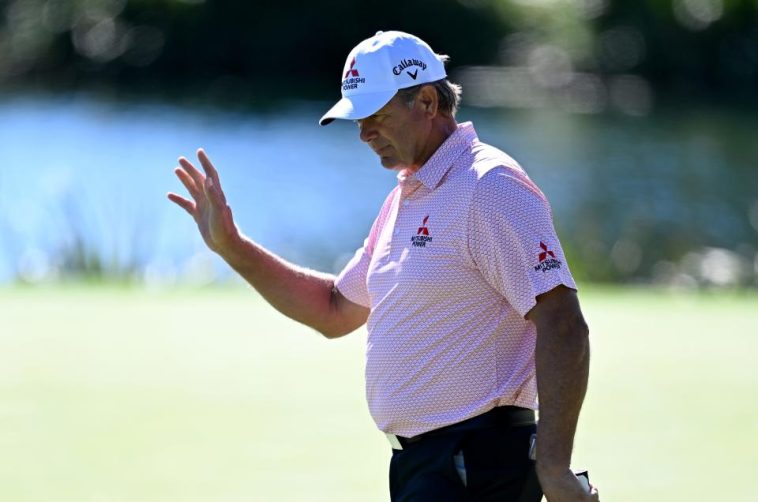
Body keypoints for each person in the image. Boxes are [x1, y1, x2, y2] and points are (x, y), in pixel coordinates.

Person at [168, 30, 599, 502]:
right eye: (358, 119)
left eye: (376, 116)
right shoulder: (407, 197)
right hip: (426, 466)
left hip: (477, 461)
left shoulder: (489, 186)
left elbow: (563, 324)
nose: (364, 132)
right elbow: (335, 310)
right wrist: (232, 248)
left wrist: (554, 467)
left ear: (429, 102)